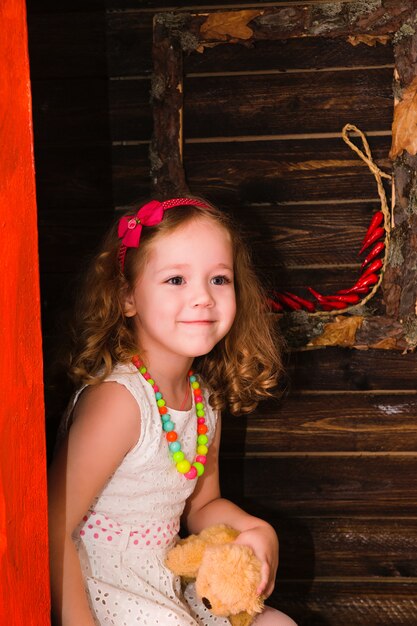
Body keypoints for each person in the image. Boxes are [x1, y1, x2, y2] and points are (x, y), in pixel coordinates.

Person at [48, 196, 297, 626]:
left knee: (277, 624)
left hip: (163, 579)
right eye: (176, 279)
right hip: (103, 588)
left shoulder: (202, 400)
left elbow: (203, 505)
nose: (202, 297)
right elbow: (51, 526)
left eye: (219, 279)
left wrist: (258, 530)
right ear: (127, 297)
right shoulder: (120, 401)